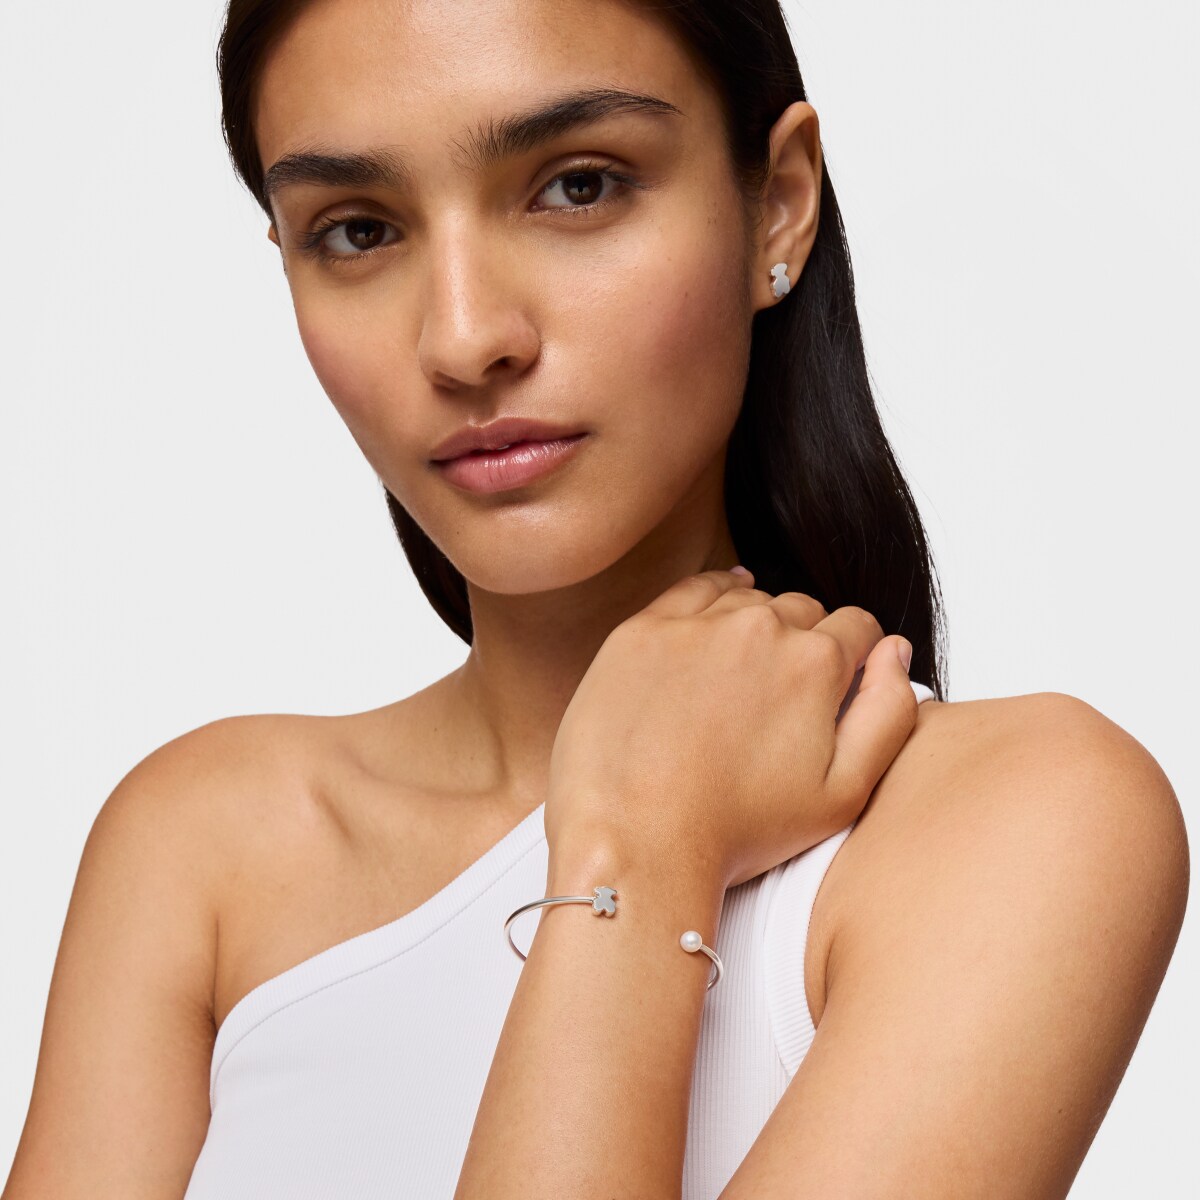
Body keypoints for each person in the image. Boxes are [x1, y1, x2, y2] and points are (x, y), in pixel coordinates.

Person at [2, 1, 1188, 1197]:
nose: (465, 338)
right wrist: (646, 842)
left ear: (777, 204)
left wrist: (641, 834)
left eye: (578, 187)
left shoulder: (1016, 822)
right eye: (359, 230)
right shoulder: (202, 850)